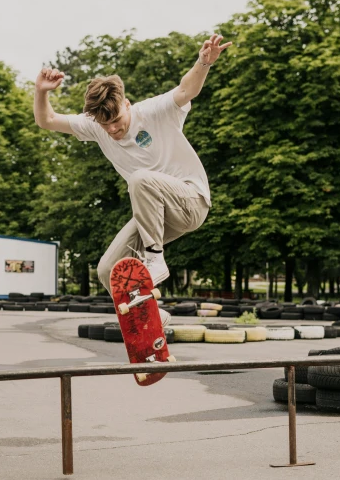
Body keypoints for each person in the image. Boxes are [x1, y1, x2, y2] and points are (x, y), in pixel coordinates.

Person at [33, 34, 232, 326]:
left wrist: (203, 62)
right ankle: (152, 313)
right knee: (108, 270)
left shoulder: (152, 111)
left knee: (139, 180)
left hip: (190, 202)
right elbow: (47, 121)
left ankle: (154, 257)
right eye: (105, 124)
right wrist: (41, 91)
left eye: (117, 120)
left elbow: (186, 89)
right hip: (154, 215)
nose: (113, 129)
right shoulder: (96, 125)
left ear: (127, 104)